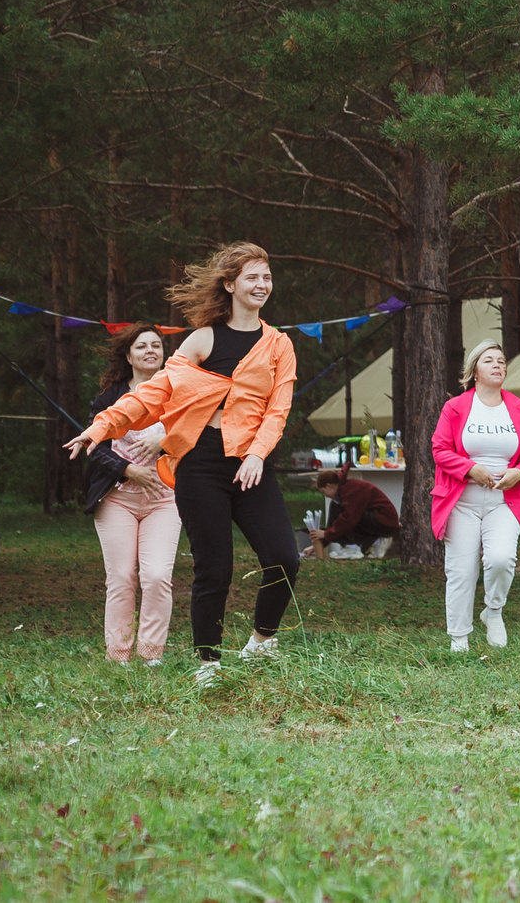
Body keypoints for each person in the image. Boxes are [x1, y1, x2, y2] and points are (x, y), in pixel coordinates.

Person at [66, 242, 300, 683]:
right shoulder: (203, 340)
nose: (261, 285)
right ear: (230, 285)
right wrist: (101, 427)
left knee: (284, 557)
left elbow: (278, 410)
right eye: (251, 277)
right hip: (201, 463)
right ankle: (208, 663)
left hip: (251, 463)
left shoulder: (278, 345)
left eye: (266, 277)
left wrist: (255, 455)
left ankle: (262, 639)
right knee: (216, 568)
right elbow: (153, 395)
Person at [434, 340, 520, 651]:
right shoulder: (455, 407)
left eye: (502, 361)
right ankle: (459, 637)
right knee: (461, 569)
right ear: (475, 372)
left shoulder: (519, 408)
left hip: (503, 502)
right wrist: (470, 469)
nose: (498, 365)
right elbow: (439, 449)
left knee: (500, 559)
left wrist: (519, 472)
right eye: (489, 361)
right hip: (461, 502)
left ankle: (493, 611)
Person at [88, 329, 175, 665]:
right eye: (142, 346)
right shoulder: (109, 398)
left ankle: (152, 654)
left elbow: (194, 434)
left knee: (156, 576)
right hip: (117, 499)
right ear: (129, 356)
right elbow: (94, 446)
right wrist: (128, 469)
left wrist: (164, 441)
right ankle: (119, 655)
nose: (150, 350)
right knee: (122, 577)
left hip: (165, 499)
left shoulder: (178, 394)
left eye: (156, 345)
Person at [310, 467, 399, 557]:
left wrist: (326, 534)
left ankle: (355, 547)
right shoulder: (343, 490)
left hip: (386, 522)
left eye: (323, 492)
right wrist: (319, 544)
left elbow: (348, 519)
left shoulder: (351, 490)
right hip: (378, 519)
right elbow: (333, 524)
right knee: (336, 508)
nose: (325, 496)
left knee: (346, 517)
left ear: (328, 486)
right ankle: (364, 545)